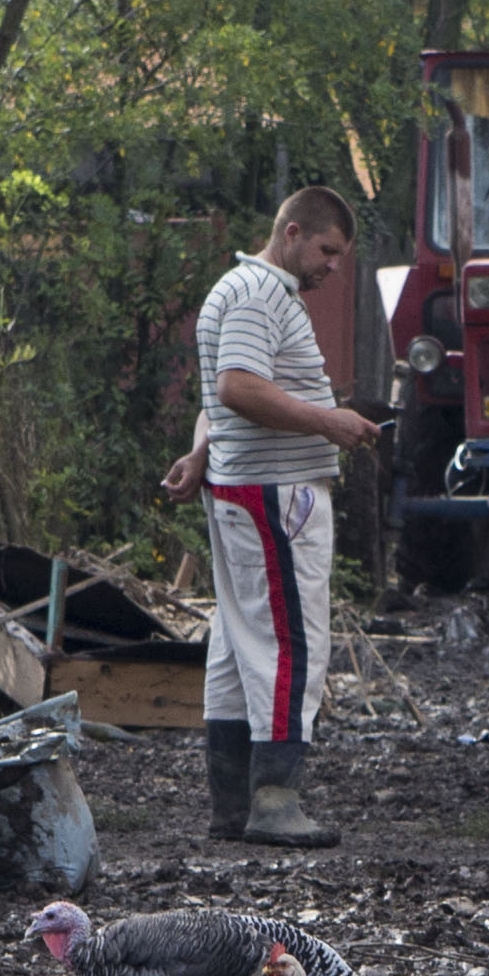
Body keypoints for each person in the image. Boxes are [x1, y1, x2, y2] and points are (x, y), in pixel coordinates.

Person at [170, 185, 381, 848]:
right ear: (291, 234)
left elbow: (217, 395)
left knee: (238, 650)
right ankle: (276, 801)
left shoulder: (239, 291)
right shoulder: (261, 293)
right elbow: (236, 386)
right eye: (327, 250)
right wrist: (330, 420)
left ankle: (230, 804)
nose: (332, 266)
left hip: (244, 487)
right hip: (276, 495)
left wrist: (202, 451)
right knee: (292, 645)